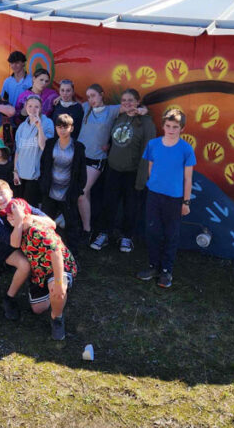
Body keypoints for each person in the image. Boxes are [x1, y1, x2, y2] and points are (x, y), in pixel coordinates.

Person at [76, 84, 147, 246]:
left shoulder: (111, 110)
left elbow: (132, 106)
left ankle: (87, 230)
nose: (91, 99)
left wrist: (144, 110)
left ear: (102, 95)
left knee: (82, 192)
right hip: (80, 157)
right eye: (88, 96)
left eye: (94, 95)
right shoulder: (86, 107)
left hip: (97, 159)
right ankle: (78, 225)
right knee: (77, 192)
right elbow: (69, 102)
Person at [137, 108, 196, 289]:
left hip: (174, 198)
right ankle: (153, 266)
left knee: (171, 234)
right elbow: (150, 168)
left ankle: (166, 271)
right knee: (153, 231)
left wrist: (186, 202)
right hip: (154, 195)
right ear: (162, 126)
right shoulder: (153, 145)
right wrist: (153, 185)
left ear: (182, 129)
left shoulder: (186, 149)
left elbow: (188, 178)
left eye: (175, 127)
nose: (171, 130)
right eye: (168, 126)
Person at [92, 88, 156, 253]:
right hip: (113, 169)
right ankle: (104, 233)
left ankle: (127, 236)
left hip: (132, 172)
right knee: (109, 203)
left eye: (130, 100)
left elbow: (148, 152)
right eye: (124, 100)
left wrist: (142, 178)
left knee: (131, 206)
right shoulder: (119, 117)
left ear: (138, 101)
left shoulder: (146, 122)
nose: (127, 103)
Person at [6, 197, 77, 340]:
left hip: (58, 267)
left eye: (12, 214)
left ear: (25, 214)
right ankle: (53, 294)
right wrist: (19, 222)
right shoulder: (19, 229)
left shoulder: (37, 229)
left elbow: (56, 253)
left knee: (58, 290)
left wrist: (57, 283)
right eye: (7, 215)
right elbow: (14, 244)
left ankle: (57, 318)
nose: (9, 218)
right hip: (39, 271)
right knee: (38, 309)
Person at [0, 179, 42, 321]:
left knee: (25, 265)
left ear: (11, 193)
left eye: (2, 193)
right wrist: (20, 222)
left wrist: (27, 217)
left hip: (12, 250)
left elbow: (50, 222)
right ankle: (1, 271)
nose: (0, 199)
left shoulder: (20, 205)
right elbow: (14, 243)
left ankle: (9, 298)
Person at [39, 113, 88, 246]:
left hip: (68, 194)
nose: (62, 130)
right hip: (50, 191)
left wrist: (77, 190)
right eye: (59, 126)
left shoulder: (78, 147)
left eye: (65, 127)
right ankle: (44, 248)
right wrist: (43, 185)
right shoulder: (50, 144)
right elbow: (44, 165)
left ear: (71, 128)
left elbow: (82, 172)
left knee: (71, 225)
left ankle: (73, 254)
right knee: (44, 222)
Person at [12, 94, 54, 206]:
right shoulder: (21, 127)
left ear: (41, 108)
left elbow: (44, 147)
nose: (33, 109)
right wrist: (15, 171)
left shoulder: (47, 123)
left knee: (30, 207)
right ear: (26, 107)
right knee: (19, 205)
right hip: (20, 173)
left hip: (35, 175)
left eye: (36, 106)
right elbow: (18, 151)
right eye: (30, 106)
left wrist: (39, 127)